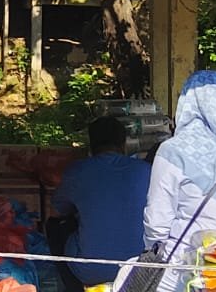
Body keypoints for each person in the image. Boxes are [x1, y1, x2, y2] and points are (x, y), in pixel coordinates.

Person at [129, 71, 216, 292]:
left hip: (190, 269)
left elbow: (157, 224)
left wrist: (153, 255)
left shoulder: (173, 150)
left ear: (186, 103)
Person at [51, 116, 151, 286]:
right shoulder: (145, 170)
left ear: (91, 145)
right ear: (124, 144)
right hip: (140, 271)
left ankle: (71, 287)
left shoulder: (78, 171)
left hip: (91, 272)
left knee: (56, 226)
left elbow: (56, 211)